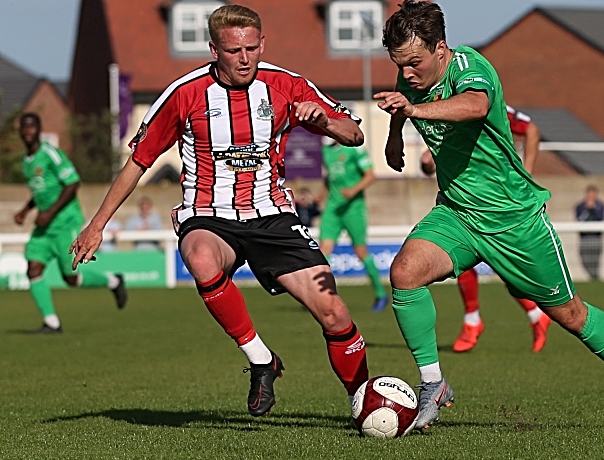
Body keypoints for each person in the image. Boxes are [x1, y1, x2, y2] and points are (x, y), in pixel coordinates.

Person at [374, 0, 604, 431]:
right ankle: (433, 384)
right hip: (458, 214)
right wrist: (395, 137)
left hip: (515, 221)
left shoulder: (472, 69)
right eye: (400, 65)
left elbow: (474, 105)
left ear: (441, 48)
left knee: (570, 315)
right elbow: (406, 101)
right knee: (404, 273)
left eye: (415, 63)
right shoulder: (411, 72)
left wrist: (414, 111)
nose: (408, 73)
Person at [70, 4, 368, 417]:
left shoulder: (288, 85)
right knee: (200, 256)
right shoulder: (183, 94)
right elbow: (138, 163)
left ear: (263, 43)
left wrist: (326, 122)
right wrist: (96, 225)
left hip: (271, 213)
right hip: (208, 213)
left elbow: (355, 133)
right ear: (214, 49)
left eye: (251, 48)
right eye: (233, 50)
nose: (244, 58)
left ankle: (365, 402)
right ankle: (262, 359)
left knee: (334, 313)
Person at [421, 106, 551, 353]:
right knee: (459, 256)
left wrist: (528, 174)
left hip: (500, 201)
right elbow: (433, 161)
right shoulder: (443, 106)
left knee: (508, 265)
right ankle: (474, 320)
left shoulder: (484, 99)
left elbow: (532, 129)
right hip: (464, 200)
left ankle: (535, 313)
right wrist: (428, 161)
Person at [13, 113, 127, 333]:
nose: (28, 131)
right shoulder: (26, 162)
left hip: (65, 221)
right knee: (33, 268)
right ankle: (51, 322)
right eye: (24, 128)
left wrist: (49, 212)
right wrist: (25, 211)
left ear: (39, 129)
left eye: (32, 127)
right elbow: (42, 191)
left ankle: (113, 281)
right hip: (45, 227)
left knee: (71, 278)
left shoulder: (51, 154)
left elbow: (72, 183)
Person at [319, 140, 389, 312]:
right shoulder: (326, 151)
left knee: (360, 251)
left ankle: (381, 294)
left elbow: (371, 175)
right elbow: (330, 177)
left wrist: (353, 190)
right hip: (333, 208)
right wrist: (322, 194)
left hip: (353, 208)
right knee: (323, 252)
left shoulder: (355, 150)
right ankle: (325, 297)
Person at [575, 185, 604, 280]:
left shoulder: (600, 206)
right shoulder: (580, 206)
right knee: (585, 260)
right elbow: (579, 219)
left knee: (595, 260)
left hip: (596, 238)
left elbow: (600, 218)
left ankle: (595, 278)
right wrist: (587, 209)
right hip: (585, 238)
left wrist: (593, 208)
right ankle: (594, 277)